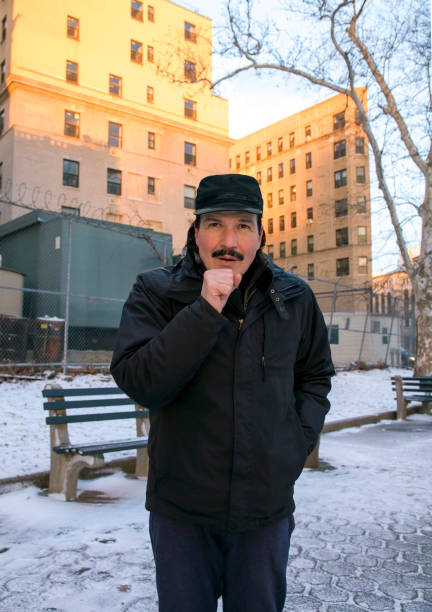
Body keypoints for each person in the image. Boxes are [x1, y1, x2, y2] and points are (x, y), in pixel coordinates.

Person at [110, 173, 334, 612]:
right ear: (196, 233)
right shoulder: (156, 291)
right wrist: (204, 310)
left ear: (260, 234)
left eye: (243, 226)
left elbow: (315, 376)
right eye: (214, 224)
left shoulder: (294, 298)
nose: (228, 240)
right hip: (183, 512)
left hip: (264, 510)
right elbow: (139, 380)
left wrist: (295, 444)